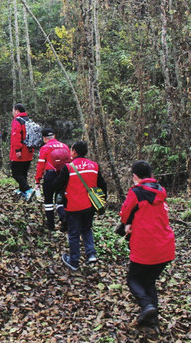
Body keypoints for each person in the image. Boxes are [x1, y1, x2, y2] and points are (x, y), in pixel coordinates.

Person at [120, 160, 175, 327]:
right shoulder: (160, 190)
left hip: (146, 246)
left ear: (135, 176)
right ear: (151, 175)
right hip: (166, 246)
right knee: (149, 281)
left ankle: (147, 305)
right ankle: (152, 319)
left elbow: (125, 213)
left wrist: (127, 223)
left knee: (133, 280)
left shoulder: (136, 192)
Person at [53, 140, 107, 271]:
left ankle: (74, 261)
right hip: (90, 206)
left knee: (73, 233)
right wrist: (102, 200)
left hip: (73, 206)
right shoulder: (94, 166)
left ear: (74, 152)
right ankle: (91, 254)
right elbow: (102, 185)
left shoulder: (68, 167)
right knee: (87, 229)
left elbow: (57, 185)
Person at [35, 128, 71, 230]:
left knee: (48, 200)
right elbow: (70, 162)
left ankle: (51, 225)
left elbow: (41, 165)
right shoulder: (64, 146)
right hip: (64, 175)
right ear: (54, 136)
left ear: (44, 138)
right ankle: (64, 219)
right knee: (60, 199)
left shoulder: (45, 148)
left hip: (50, 175)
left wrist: (38, 180)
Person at [10, 103, 35, 201]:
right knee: (23, 173)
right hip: (29, 151)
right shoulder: (28, 120)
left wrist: (17, 150)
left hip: (20, 152)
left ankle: (28, 190)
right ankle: (23, 192)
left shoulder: (17, 121)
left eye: (13, 110)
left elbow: (16, 136)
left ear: (16, 111)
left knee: (16, 173)